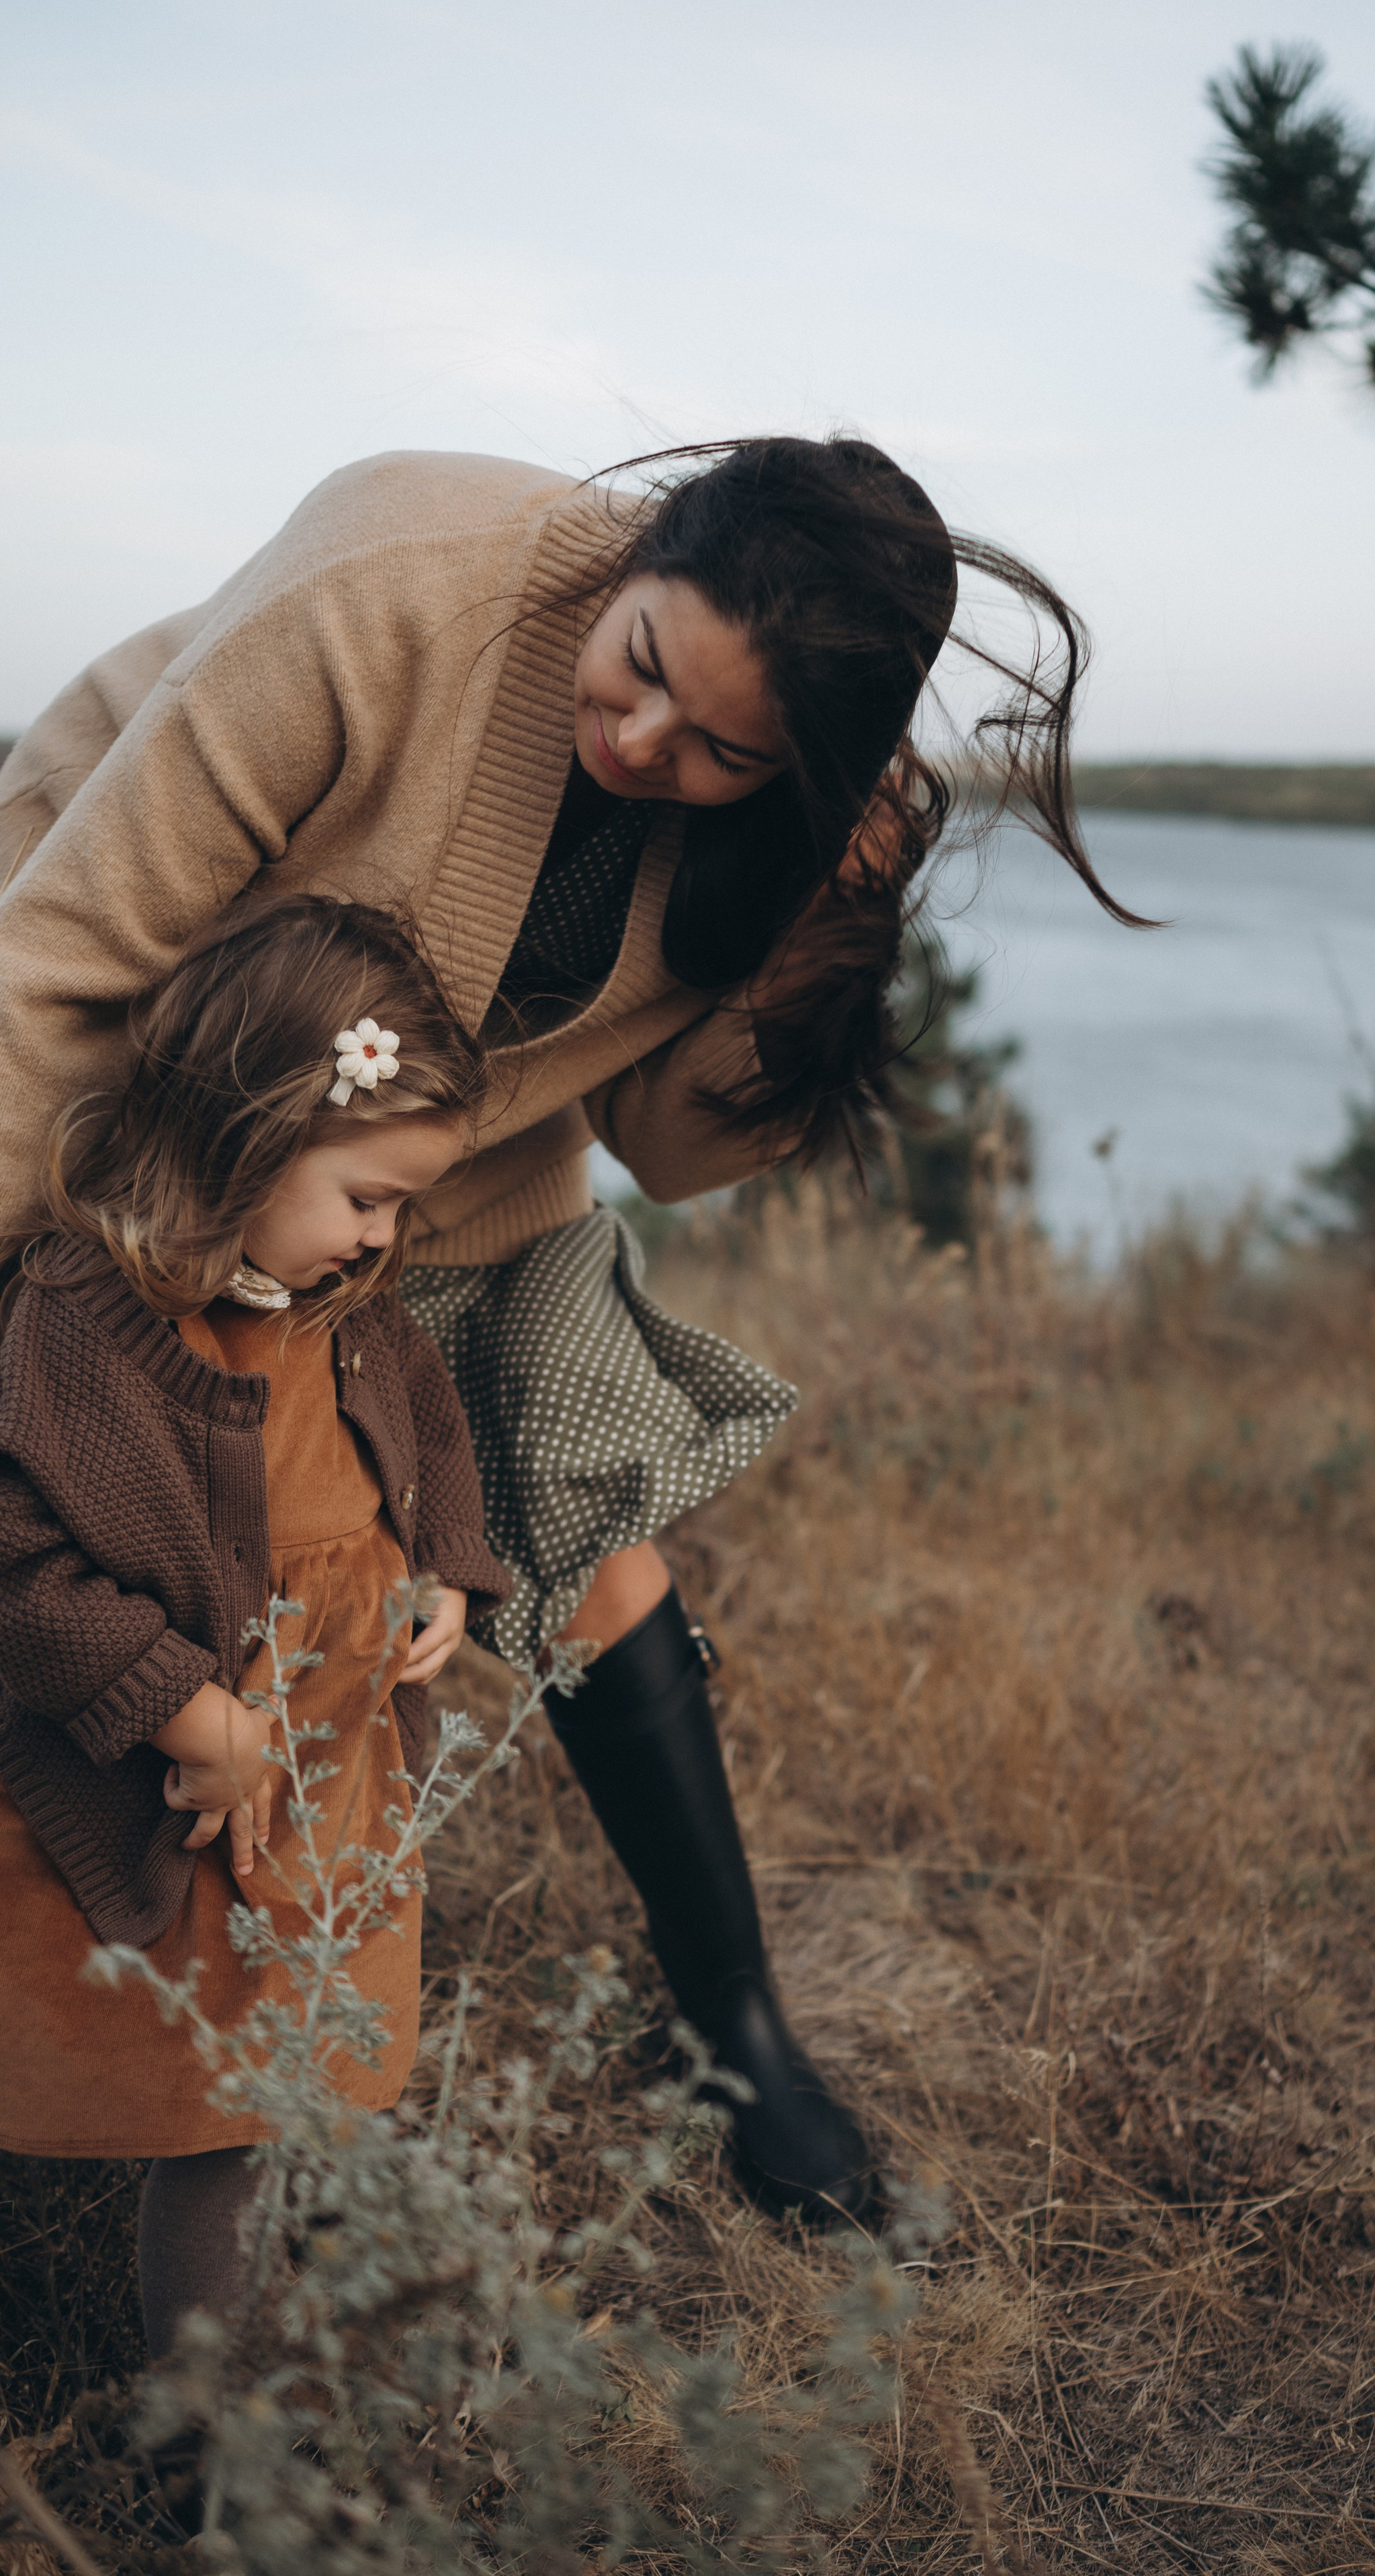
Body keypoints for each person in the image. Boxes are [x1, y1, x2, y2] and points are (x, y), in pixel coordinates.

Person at [0, 435, 1145, 2224]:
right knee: (80, 1500)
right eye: (641, 667)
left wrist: (830, 918)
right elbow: (62, 954)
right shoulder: (392, 579)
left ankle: (736, 2030)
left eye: (724, 754)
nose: (643, 745)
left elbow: (670, 1148)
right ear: (641, 554)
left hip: (438, 1162)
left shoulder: (780, 818)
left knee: (589, 1510)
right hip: (138, 1067)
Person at [0, 896, 511, 2357]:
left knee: (266, 2092)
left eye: (401, 1207)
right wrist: (187, 1711)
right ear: (247, 1138)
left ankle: (227, 2386)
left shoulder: (351, 1309)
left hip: (326, 1783)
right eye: (367, 1197)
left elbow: (429, 1436)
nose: (384, 1236)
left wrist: (443, 1570)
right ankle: (189, 2419)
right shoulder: (84, 1320)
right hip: (158, 1791)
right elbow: (22, 1570)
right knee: (177, 2077)